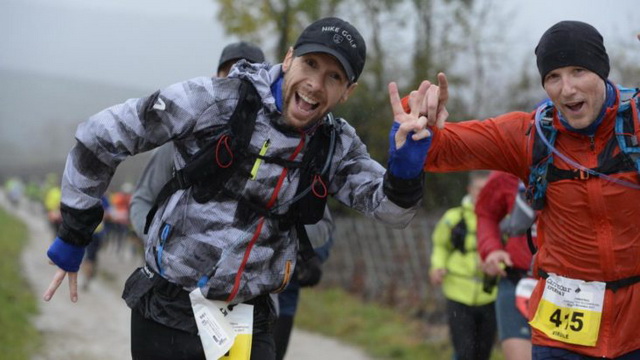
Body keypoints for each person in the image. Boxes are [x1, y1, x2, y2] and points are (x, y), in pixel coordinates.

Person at [44, 17, 433, 360]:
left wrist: (406, 162)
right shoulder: (216, 99)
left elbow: (393, 212)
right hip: (168, 309)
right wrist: (76, 230)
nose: (315, 84)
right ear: (289, 58)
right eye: (310, 64)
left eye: (334, 77)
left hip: (247, 321)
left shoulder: (335, 145)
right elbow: (100, 136)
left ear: (348, 91)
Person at [403, 21, 640, 359]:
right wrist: (419, 127)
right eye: (553, 77)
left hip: (635, 327)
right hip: (561, 334)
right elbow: (442, 150)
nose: (567, 89)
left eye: (579, 71)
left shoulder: (635, 123)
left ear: (602, 72)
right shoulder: (530, 136)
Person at [429, 170, 496, 360]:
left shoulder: (502, 219)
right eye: (478, 189)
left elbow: (509, 252)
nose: (482, 194)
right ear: (469, 189)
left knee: (483, 353)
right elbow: (440, 245)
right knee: (465, 351)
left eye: (487, 190)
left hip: (490, 294)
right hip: (458, 293)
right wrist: (437, 266)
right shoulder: (453, 217)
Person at [476, 171, 536, 360]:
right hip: (517, 280)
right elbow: (486, 213)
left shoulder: (585, 165)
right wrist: (491, 249)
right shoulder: (507, 170)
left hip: (571, 287)